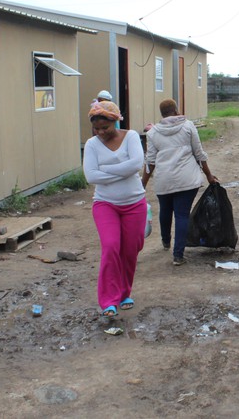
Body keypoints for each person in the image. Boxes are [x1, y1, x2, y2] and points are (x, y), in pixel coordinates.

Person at [82, 100, 147, 318]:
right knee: (111, 247)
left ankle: (124, 293)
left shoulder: (131, 137)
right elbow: (91, 176)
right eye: (96, 128)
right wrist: (122, 170)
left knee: (130, 251)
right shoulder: (92, 144)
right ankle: (109, 301)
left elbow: (137, 164)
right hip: (105, 204)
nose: (100, 132)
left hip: (135, 203)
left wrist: (105, 170)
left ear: (116, 121)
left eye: (105, 127)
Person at [141, 99, 217, 266]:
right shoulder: (188, 126)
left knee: (165, 211)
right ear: (176, 110)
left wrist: (143, 184)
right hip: (187, 180)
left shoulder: (153, 133)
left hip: (164, 181)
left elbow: (150, 161)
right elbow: (199, 154)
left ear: (162, 114)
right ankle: (178, 255)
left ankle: (165, 240)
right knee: (182, 215)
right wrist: (209, 176)